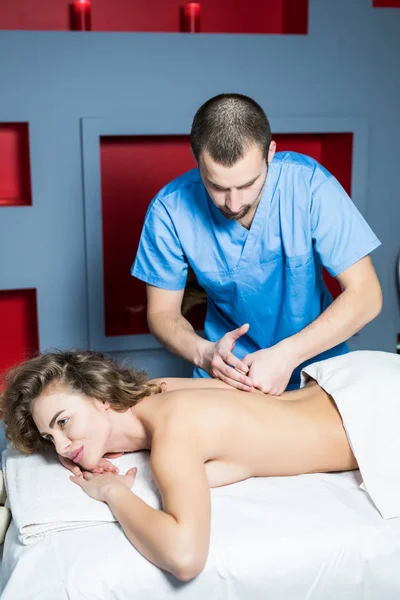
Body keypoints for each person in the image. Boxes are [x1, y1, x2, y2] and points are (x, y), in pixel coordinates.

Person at [1, 349, 358, 581]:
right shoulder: (156, 390)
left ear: (99, 398)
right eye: (49, 438)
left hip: (370, 418)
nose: (61, 447)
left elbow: (185, 557)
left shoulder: (174, 433)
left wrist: (113, 492)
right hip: (347, 383)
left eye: (63, 422)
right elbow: (247, 410)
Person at [131, 93, 382, 394]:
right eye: (218, 186)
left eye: (248, 184)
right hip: (229, 375)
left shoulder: (310, 185)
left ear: (271, 153)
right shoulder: (169, 210)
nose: (234, 203)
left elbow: (366, 294)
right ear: (198, 161)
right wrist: (205, 354)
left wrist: (287, 355)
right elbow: (162, 314)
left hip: (319, 367)